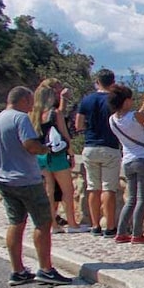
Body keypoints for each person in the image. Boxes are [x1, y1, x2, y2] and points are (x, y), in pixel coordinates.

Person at [0, 86, 73, 287]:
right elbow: (29, 145)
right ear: (24, 99)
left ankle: (17, 271)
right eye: (30, 101)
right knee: (43, 222)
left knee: (16, 223)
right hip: (26, 179)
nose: (32, 105)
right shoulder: (20, 118)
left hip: (3, 179)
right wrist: (45, 149)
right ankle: (46, 269)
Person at [30, 81, 86, 233]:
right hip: (57, 156)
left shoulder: (33, 115)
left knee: (49, 190)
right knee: (67, 190)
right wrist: (71, 154)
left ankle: (53, 224)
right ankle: (73, 224)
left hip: (41, 156)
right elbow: (65, 135)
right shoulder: (55, 114)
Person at [74, 68, 122, 237]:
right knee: (109, 188)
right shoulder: (113, 100)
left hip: (90, 146)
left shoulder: (86, 100)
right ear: (112, 82)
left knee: (93, 188)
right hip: (109, 146)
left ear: (97, 81)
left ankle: (95, 225)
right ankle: (109, 226)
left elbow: (78, 124)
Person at [107, 84, 144, 244]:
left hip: (126, 160)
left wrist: (142, 108)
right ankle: (137, 233)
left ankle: (121, 231)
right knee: (142, 198)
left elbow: (133, 120)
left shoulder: (112, 120)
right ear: (126, 101)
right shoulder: (135, 116)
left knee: (131, 198)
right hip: (142, 158)